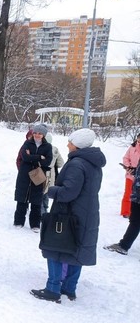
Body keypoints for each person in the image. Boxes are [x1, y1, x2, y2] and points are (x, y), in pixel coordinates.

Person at [31, 128, 106, 303]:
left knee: (56, 249)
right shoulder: (92, 163)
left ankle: (52, 289)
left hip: (69, 214)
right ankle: (69, 288)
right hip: (85, 213)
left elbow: (68, 192)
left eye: (70, 142)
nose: (67, 144)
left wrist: (51, 190)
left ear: (77, 145)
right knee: (75, 250)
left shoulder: (76, 164)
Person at [13, 124, 52, 232]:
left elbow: (48, 161)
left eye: (39, 133)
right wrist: (39, 157)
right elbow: (24, 157)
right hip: (24, 174)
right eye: (35, 133)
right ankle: (18, 221)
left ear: (43, 135)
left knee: (36, 200)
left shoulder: (47, 147)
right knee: (22, 198)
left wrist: (31, 157)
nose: (37, 135)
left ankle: (35, 224)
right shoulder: (27, 143)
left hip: (39, 174)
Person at [42, 133, 65, 215]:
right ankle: (45, 210)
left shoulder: (41, 149)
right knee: (47, 193)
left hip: (41, 173)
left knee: (40, 193)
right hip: (51, 174)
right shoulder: (55, 149)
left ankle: (41, 213)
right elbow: (61, 163)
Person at [120, 133, 140, 218]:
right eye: (138, 139)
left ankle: (135, 211)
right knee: (128, 193)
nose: (138, 141)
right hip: (130, 175)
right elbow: (125, 158)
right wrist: (128, 167)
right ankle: (126, 211)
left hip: (138, 175)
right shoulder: (132, 147)